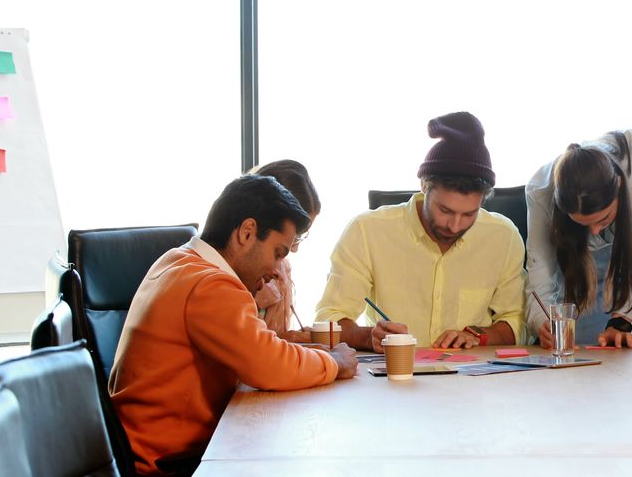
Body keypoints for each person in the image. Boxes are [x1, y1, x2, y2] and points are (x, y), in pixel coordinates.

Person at [109, 175, 358, 475]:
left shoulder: (177, 260)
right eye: (278, 253)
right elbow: (268, 364)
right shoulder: (211, 285)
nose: (278, 270)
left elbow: (259, 345)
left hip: (145, 450)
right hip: (169, 463)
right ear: (247, 232)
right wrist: (332, 363)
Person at [316, 111, 526, 352]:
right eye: (445, 210)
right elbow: (328, 319)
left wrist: (478, 335)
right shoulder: (366, 231)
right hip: (392, 380)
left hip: (473, 383)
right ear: (424, 186)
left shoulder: (503, 237)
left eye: (469, 214)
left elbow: (518, 321)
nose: (455, 226)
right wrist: (367, 337)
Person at [526, 130, 632, 348]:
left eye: (603, 219)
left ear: (618, 185)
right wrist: (541, 322)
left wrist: (621, 320)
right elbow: (539, 271)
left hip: (623, 276)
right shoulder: (540, 191)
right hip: (572, 286)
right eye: (582, 224)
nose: (595, 232)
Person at [250, 159, 320, 343]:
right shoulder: (234, 275)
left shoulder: (283, 270)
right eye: (295, 237)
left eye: (301, 236)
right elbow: (244, 351)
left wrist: (296, 338)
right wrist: (284, 342)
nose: (294, 248)